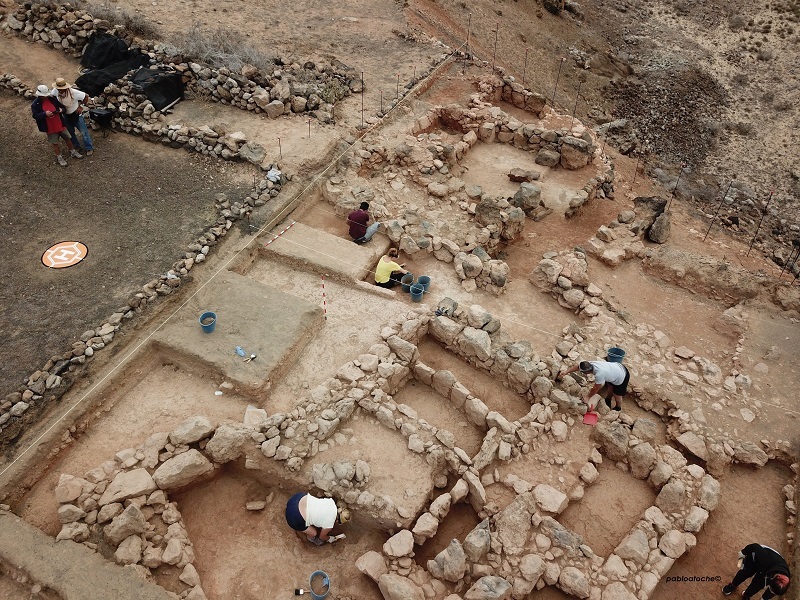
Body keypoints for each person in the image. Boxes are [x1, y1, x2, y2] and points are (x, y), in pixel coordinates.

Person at [31, 85, 82, 167]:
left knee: (67, 138)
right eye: (44, 96)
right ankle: (59, 157)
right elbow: (35, 115)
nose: (46, 97)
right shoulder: (35, 104)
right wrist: (44, 114)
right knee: (55, 143)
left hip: (60, 123)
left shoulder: (52, 99)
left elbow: (62, 107)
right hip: (50, 127)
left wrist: (62, 110)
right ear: (39, 95)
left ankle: (72, 151)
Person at [557, 358, 630, 411]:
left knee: (617, 394)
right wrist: (566, 372)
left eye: (583, 372)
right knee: (610, 386)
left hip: (622, 375)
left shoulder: (599, 374)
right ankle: (608, 399)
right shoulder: (590, 364)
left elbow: (596, 388)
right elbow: (577, 367)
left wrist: (588, 397)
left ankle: (618, 407)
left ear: (587, 372)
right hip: (614, 370)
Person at [723, 543, 791, 599]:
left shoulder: (782, 583)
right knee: (745, 573)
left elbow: (772, 590)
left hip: (768, 571)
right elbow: (755, 546)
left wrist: (764, 599)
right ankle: (733, 585)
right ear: (776, 577)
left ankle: (746, 595)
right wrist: (743, 552)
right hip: (756, 559)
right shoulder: (765, 558)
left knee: (758, 585)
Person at [284, 492, 349, 545]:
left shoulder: (331, 501)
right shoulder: (329, 525)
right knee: (314, 533)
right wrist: (330, 538)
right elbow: (322, 536)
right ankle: (311, 539)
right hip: (293, 517)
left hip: (297, 497)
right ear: (337, 521)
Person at [51, 78, 94, 156]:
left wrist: (80, 106)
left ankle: (89, 147)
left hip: (76, 114)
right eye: (59, 89)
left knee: (84, 132)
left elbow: (86, 96)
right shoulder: (55, 91)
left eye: (62, 89)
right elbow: (52, 96)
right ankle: (76, 145)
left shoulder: (74, 93)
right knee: (70, 133)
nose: (60, 90)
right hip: (66, 115)